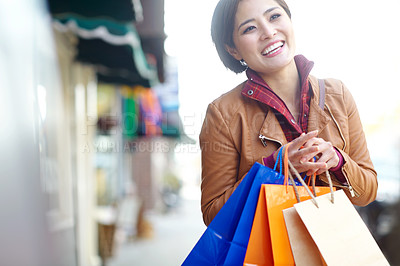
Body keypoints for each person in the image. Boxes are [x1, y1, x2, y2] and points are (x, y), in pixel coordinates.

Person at [199, 0, 377, 226]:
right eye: (249, 28)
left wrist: (339, 161)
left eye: (274, 16)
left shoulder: (338, 94)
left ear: (289, 19)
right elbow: (213, 215)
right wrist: (274, 167)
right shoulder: (222, 114)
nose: (268, 32)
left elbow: (368, 192)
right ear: (232, 49)